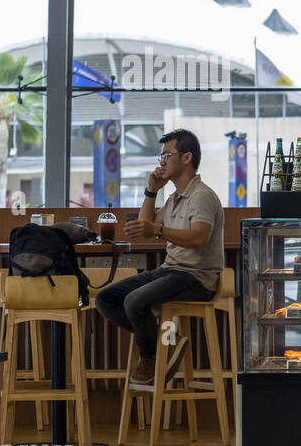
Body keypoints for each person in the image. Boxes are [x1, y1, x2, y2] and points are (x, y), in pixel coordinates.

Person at [96, 129, 225, 389]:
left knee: (134, 301)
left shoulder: (201, 196)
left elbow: (199, 237)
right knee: (105, 299)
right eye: (161, 155)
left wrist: (158, 230)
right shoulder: (174, 198)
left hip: (196, 278)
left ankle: (152, 358)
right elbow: (146, 226)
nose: (161, 161)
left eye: (167, 155)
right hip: (170, 271)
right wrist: (151, 191)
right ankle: (164, 343)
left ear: (186, 157)